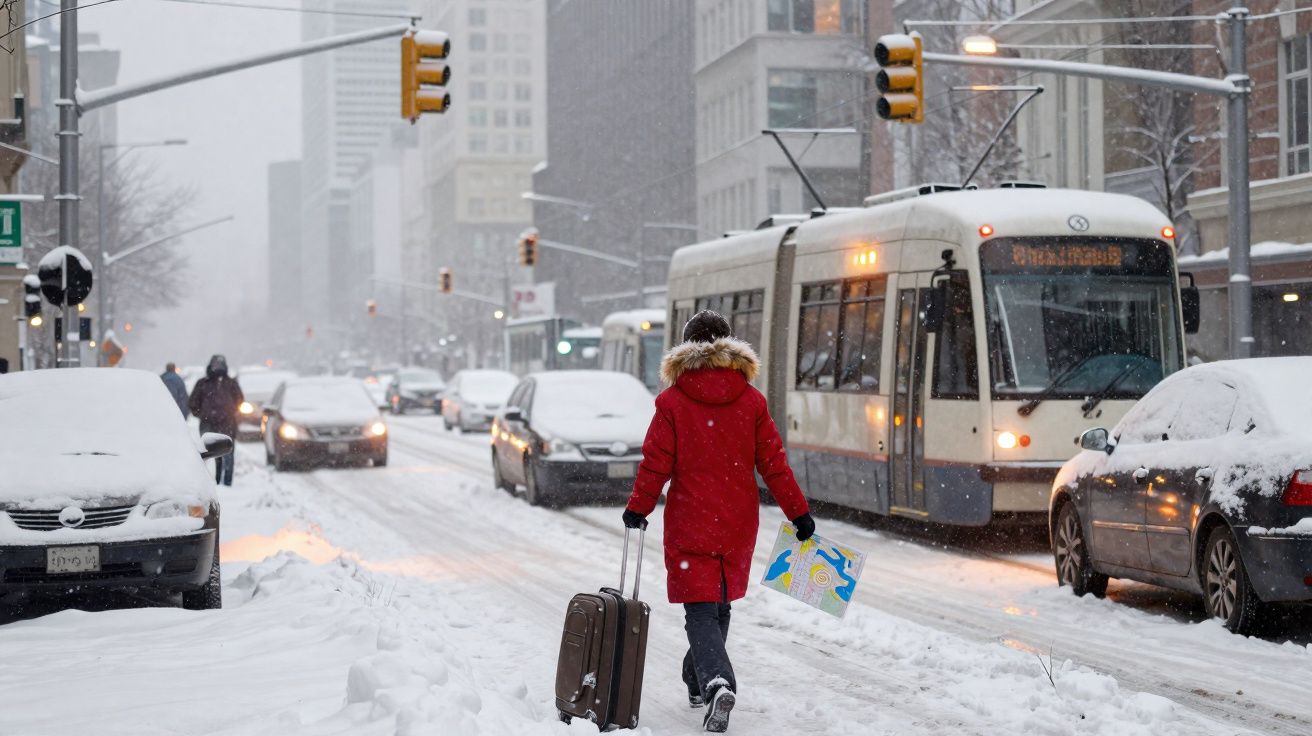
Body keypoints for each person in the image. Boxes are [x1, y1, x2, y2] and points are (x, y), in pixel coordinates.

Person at [622, 310, 814, 733]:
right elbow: (774, 466)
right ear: (730, 347)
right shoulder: (751, 401)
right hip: (736, 521)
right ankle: (697, 679)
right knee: (719, 602)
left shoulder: (672, 402)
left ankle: (715, 681)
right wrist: (798, 513)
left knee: (701, 610)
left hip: (691, 518)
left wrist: (639, 507)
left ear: (686, 349)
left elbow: (656, 463)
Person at [189, 354, 244, 486]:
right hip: (209, 425)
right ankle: (214, 483)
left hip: (227, 424)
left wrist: (229, 412)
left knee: (228, 454)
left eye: (220, 365)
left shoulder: (230, 383)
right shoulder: (203, 383)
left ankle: (227, 483)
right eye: (216, 365)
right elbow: (193, 403)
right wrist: (203, 414)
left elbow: (239, 400)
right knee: (211, 455)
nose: (218, 367)